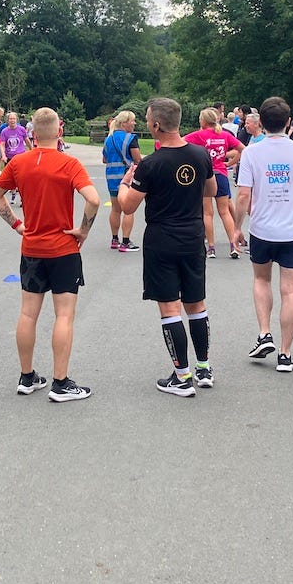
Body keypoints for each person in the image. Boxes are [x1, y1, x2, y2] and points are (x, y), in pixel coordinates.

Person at [0, 107, 100, 402]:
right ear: (60, 132)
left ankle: (27, 377)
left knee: (28, 313)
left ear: (32, 135)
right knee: (64, 314)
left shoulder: (19, 163)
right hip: (64, 247)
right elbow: (94, 200)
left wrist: (16, 224)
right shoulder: (69, 163)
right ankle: (60, 383)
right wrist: (83, 230)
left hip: (32, 248)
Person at [116, 97, 217, 397]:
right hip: (192, 236)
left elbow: (128, 207)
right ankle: (204, 367)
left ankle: (182, 376)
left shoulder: (150, 164)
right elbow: (210, 189)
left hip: (162, 239)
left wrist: (125, 184)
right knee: (196, 303)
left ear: (157, 125)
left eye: (148, 119)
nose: (147, 123)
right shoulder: (200, 155)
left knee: (169, 306)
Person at [233, 96, 293, 372]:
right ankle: (285, 353)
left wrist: (236, 227)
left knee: (261, 280)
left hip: (262, 229)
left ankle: (264, 332)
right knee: (290, 290)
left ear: (261, 124)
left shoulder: (252, 153)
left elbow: (244, 194)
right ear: (289, 123)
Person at [183, 107, 244, 259]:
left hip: (205, 176)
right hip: (221, 174)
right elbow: (242, 149)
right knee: (224, 211)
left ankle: (211, 247)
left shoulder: (198, 135)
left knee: (207, 212)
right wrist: (229, 164)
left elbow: (180, 143)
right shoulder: (224, 135)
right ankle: (233, 244)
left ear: (203, 121)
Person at [102, 109, 143, 252]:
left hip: (111, 177)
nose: (134, 123)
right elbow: (137, 159)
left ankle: (114, 239)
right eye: (132, 120)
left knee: (115, 209)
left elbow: (104, 159)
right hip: (127, 177)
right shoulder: (130, 138)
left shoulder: (109, 138)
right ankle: (126, 241)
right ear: (125, 123)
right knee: (128, 209)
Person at [0, 111, 31, 206]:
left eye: (13, 118)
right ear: (7, 121)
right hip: (10, 157)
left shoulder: (21, 129)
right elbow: (2, 144)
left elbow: (27, 140)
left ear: (16, 120)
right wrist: (3, 155)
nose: (12, 120)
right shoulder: (5, 131)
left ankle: (23, 198)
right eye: (10, 119)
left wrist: (32, 149)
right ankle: (13, 194)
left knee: (22, 178)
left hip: (20, 157)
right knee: (11, 178)